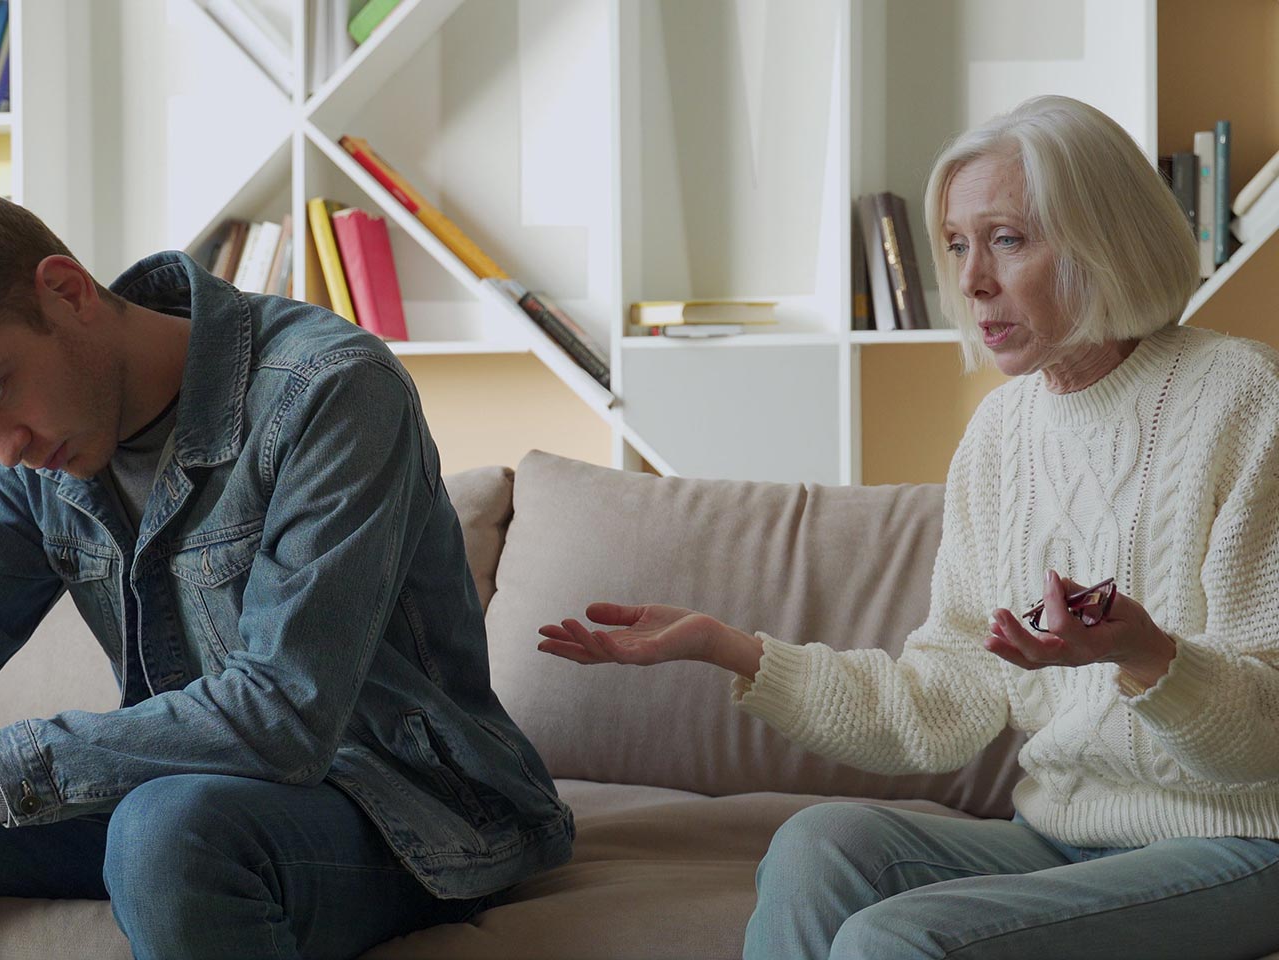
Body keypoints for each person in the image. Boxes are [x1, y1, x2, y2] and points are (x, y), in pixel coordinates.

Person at [539, 94, 1279, 960]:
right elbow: (939, 706)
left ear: (1102, 238)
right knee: (822, 843)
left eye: (1007, 239)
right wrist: (728, 647)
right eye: (958, 244)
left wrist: (1145, 654)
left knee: (901, 938)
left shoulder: (1244, 399)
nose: (969, 282)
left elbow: (1264, 739)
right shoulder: (1001, 436)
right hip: (1064, 837)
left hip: (1241, 842)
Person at [0, 188, 572, 960]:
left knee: (167, 830)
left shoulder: (329, 390)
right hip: (183, 797)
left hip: (407, 807)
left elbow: (284, 715)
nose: (4, 446)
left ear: (65, 290)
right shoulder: (32, 452)